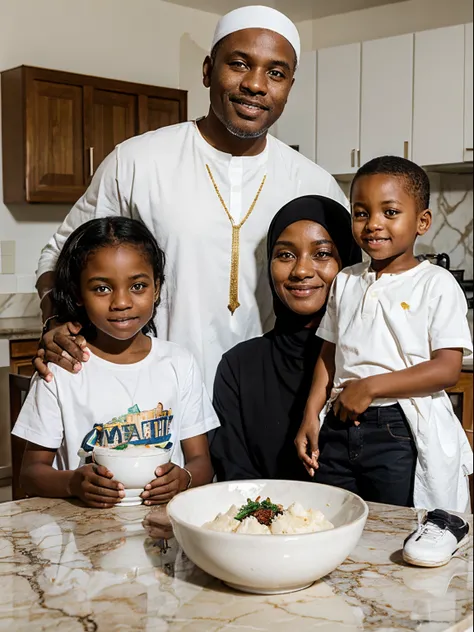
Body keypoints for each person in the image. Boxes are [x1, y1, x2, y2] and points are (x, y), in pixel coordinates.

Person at [34, 5, 347, 393]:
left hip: (277, 399)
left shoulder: (315, 183)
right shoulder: (137, 161)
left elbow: (353, 291)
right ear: (207, 70)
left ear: (288, 87)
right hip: (157, 393)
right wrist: (53, 321)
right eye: (238, 64)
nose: (256, 84)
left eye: (276, 73)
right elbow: (59, 254)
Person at [295, 156, 473, 512]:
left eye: (390, 212)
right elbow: (329, 355)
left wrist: (370, 387)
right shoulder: (346, 280)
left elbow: (447, 369)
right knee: (338, 519)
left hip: (399, 428)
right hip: (338, 424)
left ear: (422, 221)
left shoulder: (435, 283)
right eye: (361, 213)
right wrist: (310, 416)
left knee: (397, 524)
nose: (373, 224)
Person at [12, 217, 219, 508]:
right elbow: (30, 473)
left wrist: (183, 478)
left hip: (164, 530)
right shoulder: (60, 368)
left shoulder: (179, 363)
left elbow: (201, 463)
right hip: (85, 535)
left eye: (137, 286)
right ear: (78, 294)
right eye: (101, 288)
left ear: (157, 287)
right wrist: (73, 482)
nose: (121, 302)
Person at [210, 195, 361, 481]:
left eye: (322, 254)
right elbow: (234, 475)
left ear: (349, 263)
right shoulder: (239, 367)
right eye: (285, 255)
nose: (301, 271)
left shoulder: (370, 363)